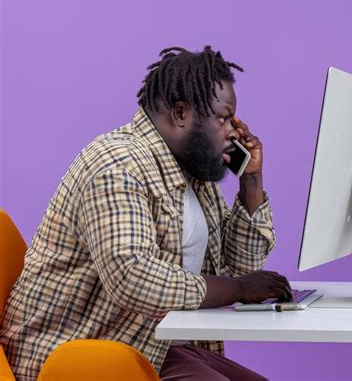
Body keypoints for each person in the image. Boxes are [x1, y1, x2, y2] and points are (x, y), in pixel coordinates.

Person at [0, 45, 292, 380]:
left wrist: (251, 180)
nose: (232, 131)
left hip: (149, 345)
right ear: (180, 113)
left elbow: (240, 268)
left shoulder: (193, 171)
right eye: (222, 118)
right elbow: (133, 278)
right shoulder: (116, 164)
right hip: (80, 351)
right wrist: (238, 289)